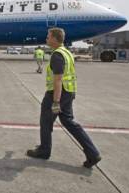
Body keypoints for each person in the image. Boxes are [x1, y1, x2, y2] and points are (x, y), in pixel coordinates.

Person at [27, 27, 101, 169]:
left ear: (55, 38)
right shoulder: (67, 52)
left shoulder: (57, 55)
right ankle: (93, 153)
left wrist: (55, 102)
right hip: (69, 92)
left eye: (48, 36)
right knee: (68, 122)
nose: (46, 38)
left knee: (46, 121)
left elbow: (58, 80)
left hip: (57, 93)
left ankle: (44, 150)